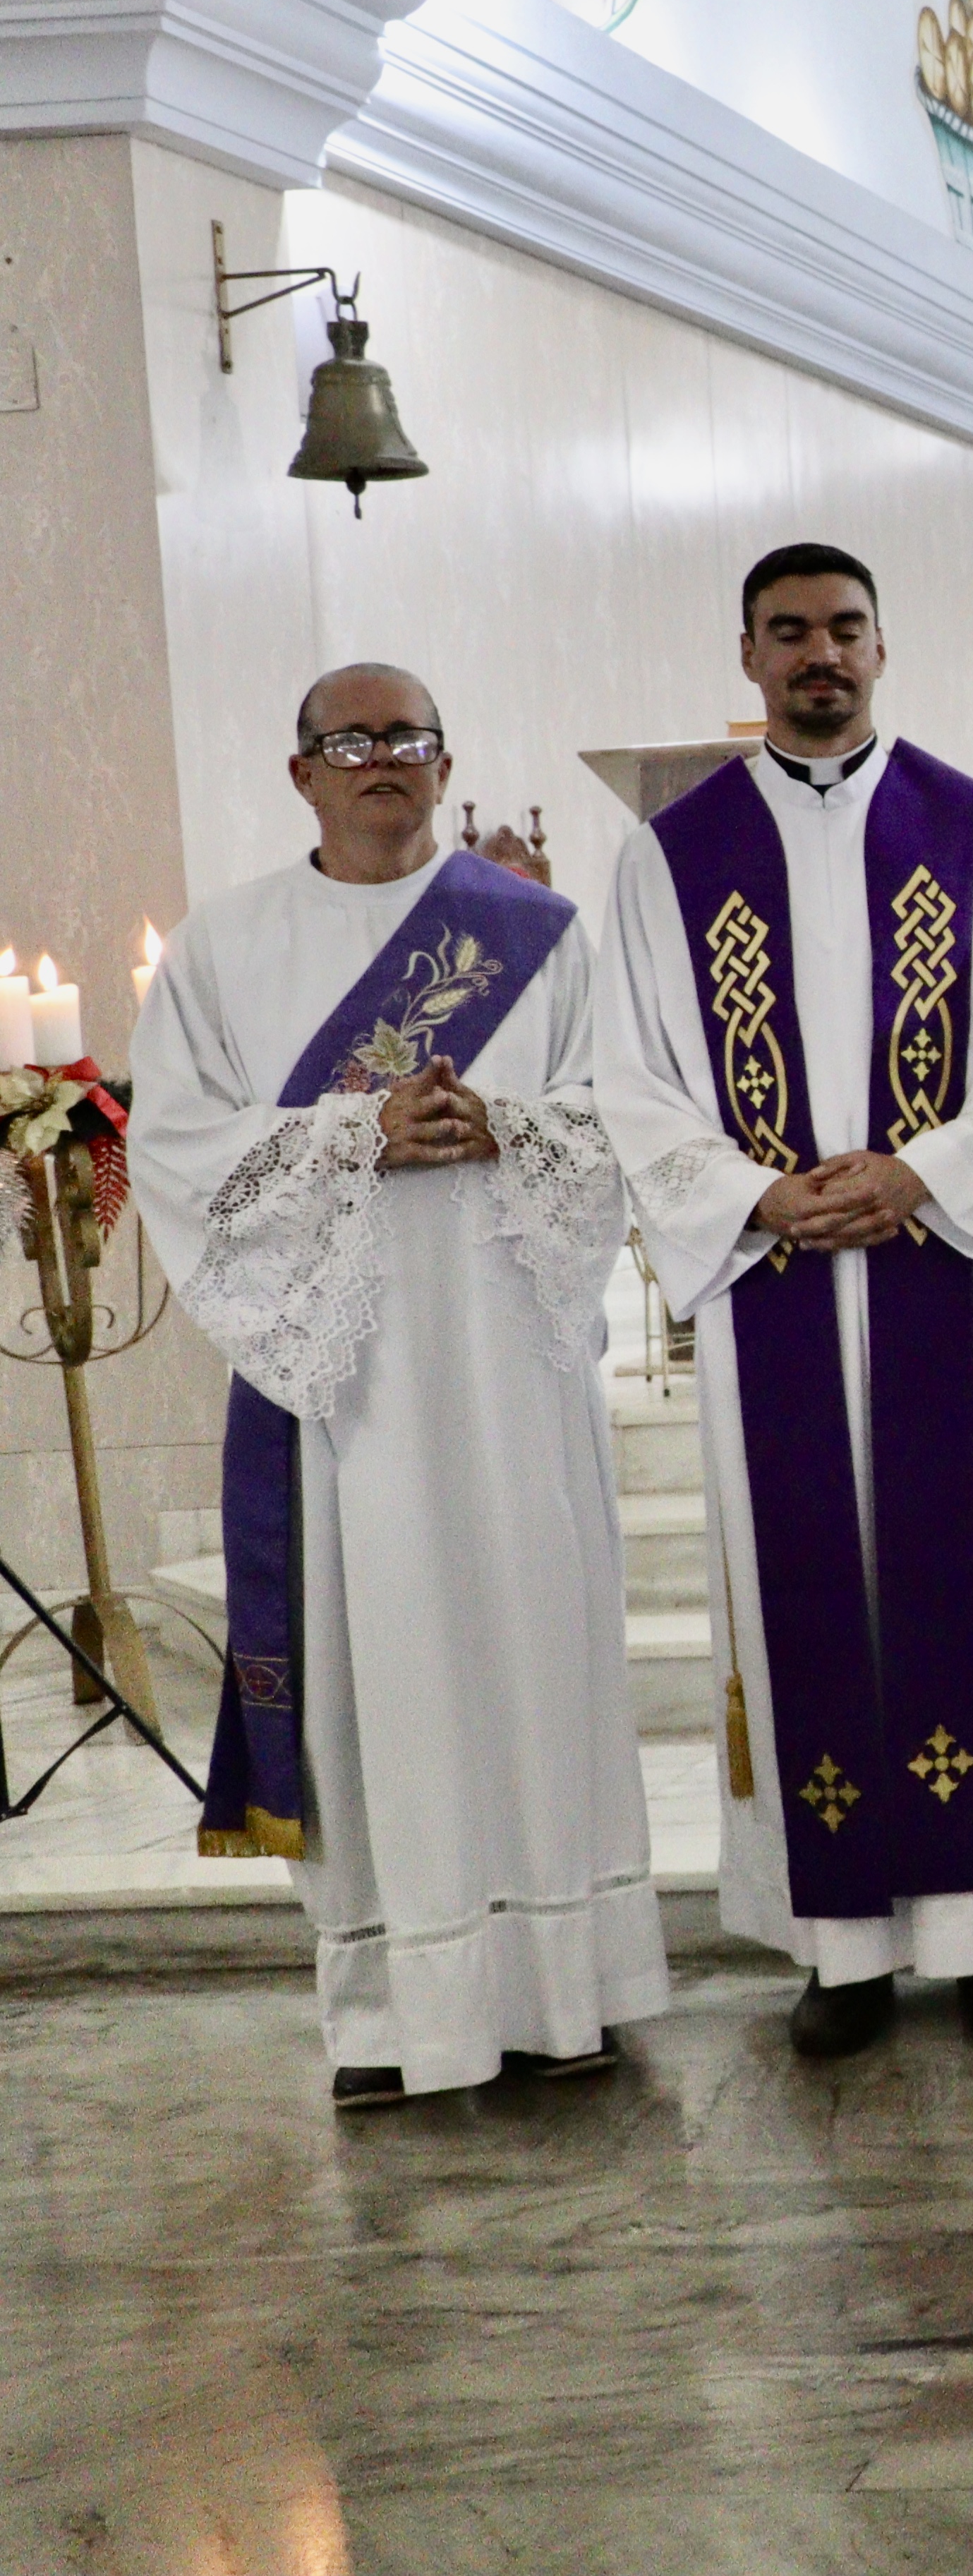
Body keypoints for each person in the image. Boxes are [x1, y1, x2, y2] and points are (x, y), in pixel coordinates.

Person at [593, 543, 973, 2061]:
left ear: (885, 648)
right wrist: (759, 1196)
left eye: (846, 630)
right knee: (799, 1584)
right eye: (790, 632)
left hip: (945, 1266)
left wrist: (922, 1171)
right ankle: (842, 1949)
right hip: (778, 1288)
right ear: (746, 653)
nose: (821, 655)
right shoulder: (667, 855)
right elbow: (635, 1074)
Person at [141, 663, 663, 2105]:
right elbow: (181, 1154)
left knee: (535, 1648)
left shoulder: (538, 937)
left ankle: (571, 1990)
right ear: (301, 768)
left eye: (411, 739)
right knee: (377, 1679)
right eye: (354, 741)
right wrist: (357, 1130)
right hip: (348, 1395)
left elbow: (627, 1114)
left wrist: (504, 1120)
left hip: (513, 1371)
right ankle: (391, 2018)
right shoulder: (224, 948)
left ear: (446, 763)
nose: (386, 760)